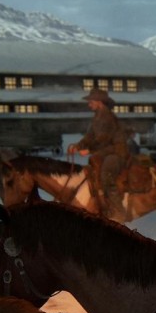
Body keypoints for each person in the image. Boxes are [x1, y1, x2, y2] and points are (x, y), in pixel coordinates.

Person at [67, 88, 128, 222]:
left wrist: (89, 151)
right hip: (106, 150)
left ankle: (119, 212)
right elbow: (90, 136)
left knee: (106, 174)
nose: (89, 104)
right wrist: (78, 146)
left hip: (116, 151)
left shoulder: (107, 117)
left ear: (99, 102)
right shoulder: (97, 117)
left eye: (91, 101)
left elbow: (102, 140)